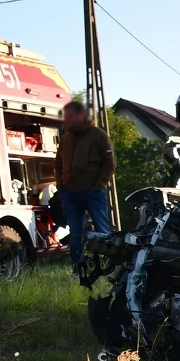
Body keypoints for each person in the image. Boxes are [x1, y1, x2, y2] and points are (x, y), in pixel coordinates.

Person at [54, 101, 114, 269]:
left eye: (70, 117)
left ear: (81, 115)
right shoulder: (66, 138)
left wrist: (98, 186)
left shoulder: (98, 135)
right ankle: (79, 270)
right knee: (75, 235)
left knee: (102, 232)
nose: (67, 120)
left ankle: (110, 267)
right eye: (65, 117)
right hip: (71, 195)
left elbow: (110, 164)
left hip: (93, 193)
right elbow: (57, 164)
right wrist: (61, 187)